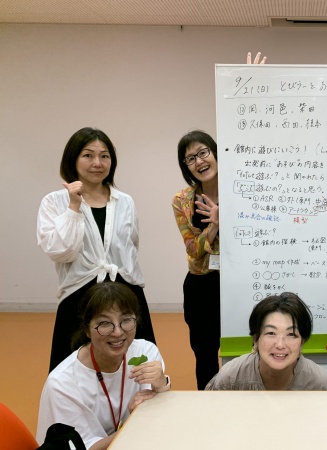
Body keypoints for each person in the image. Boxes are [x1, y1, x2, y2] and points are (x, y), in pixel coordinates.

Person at [172, 51, 266, 389]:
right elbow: (194, 252)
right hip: (202, 287)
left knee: (246, 351)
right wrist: (214, 224)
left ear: (215, 152)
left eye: (203, 152)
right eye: (190, 159)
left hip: (240, 282)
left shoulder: (241, 188)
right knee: (205, 355)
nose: (199, 161)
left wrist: (250, 87)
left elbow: (253, 141)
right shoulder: (182, 200)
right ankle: (208, 406)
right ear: (187, 168)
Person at [38, 127, 156, 373]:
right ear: (73, 159)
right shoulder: (54, 201)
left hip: (126, 292)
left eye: (104, 156)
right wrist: (73, 206)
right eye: (88, 155)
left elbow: (131, 247)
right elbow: (60, 251)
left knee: (136, 369)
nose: (97, 163)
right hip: (80, 296)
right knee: (74, 372)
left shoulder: (125, 201)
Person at [36, 282, 170, 450]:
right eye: (105, 323)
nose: (118, 332)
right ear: (86, 329)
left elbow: (155, 412)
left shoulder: (144, 352)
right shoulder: (62, 384)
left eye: (126, 320)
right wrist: (132, 423)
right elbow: (84, 448)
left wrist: (162, 384)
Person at [205, 292, 327, 390]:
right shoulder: (230, 377)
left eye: (291, 334)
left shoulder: (321, 383)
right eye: (271, 333)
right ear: (256, 338)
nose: (280, 345)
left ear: (302, 342)